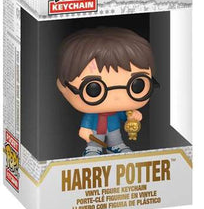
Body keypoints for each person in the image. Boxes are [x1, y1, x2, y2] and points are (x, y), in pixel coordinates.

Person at [56, 27, 158, 156]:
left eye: (137, 85)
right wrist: (84, 129)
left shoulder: (118, 110)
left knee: (115, 138)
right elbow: (87, 121)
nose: (117, 96)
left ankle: (116, 146)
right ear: (62, 86)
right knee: (95, 141)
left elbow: (124, 115)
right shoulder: (92, 114)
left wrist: (132, 116)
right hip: (95, 129)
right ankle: (93, 148)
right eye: (94, 89)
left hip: (113, 127)